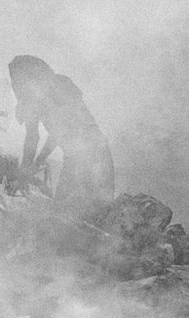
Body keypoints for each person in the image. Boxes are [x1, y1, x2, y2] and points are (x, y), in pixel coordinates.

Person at [8, 55, 114, 217]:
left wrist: (25, 172)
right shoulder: (60, 84)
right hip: (97, 151)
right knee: (100, 213)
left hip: (82, 156)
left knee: (64, 214)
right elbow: (55, 134)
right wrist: (35, 164)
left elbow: (35, 137)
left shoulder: (37, 95)